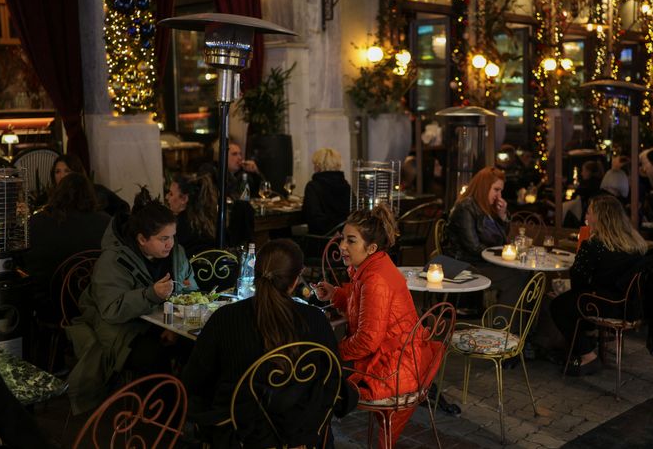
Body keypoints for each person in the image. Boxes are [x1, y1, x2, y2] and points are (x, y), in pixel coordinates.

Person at [182, 239, 357, 447]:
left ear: (254, 273)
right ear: (295, 280)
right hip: (302, 436)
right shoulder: (315, 320)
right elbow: (333, 381)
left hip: (240, 436)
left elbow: (194, 382)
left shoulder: (225, 318)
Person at [66, 187, 196, 414]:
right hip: (121, 328)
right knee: (155, 356)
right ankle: (167, 421)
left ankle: (193, 411)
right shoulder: (113, 260)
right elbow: (110, 310)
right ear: (142, 239)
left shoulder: (176, 254)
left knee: (199, 346)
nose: (171, 244)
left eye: (173, 237)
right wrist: (151, 294)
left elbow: (189, 289)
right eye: (163, 238)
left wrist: (175, 327)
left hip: (165, 323)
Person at [314, 204, 433, 448]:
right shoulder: (373, 267)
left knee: (315, 374)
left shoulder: (375, 278)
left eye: (351, 241)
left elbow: (368, 340)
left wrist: (334, 352)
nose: (342, 247)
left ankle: (319, 441)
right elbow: (364, 305)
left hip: (393, 367)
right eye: (342, 239)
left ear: (371, 248)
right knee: (318, 367)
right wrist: (336, 294)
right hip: (394, 354)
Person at [550, 195, 648, 376]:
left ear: (600, 217)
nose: (586, 216)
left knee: (558, 305)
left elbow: (578, 281)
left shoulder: (594, 244)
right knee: (571, 301)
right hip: (632, 306)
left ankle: (588, 356)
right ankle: (583, 344)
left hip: (605, 306)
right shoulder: (636, 243)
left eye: (589, 212)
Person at [22, 173, 111, 334]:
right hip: (95, 305)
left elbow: (23, 261)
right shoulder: (106, 223)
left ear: (57, 193)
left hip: (49, 306)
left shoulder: (36, 222)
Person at [442, 167, 529, 318]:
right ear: (484, 187)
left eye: (501, 191)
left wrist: (502, 217)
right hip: (461, 264)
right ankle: (502, 328)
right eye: (496, 189)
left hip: (480, 262)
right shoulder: (466, 207)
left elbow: (501, 239)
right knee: (514, 278)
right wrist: (500, 256)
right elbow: (473, 247)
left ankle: (521, 327)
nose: (499, 196)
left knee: (525, 273)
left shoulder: (485, 208)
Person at [46, 153, 130, 217]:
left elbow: (124, 207)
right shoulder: (50, 196)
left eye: (67, 171)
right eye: (57, 172)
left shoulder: (97, 191)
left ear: (77, 173)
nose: (62, 176)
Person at [302, 148, 351, 235]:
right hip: (344, 238)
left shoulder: (313, 186)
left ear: (318, 165)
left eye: (314, 164)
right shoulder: (346, 186)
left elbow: (312, 218)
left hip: (322, 241)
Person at [165, 173, 216, 257]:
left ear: (184, 199)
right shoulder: (209, 222)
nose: (167, 197)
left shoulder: (177, 226)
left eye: (171, 194)